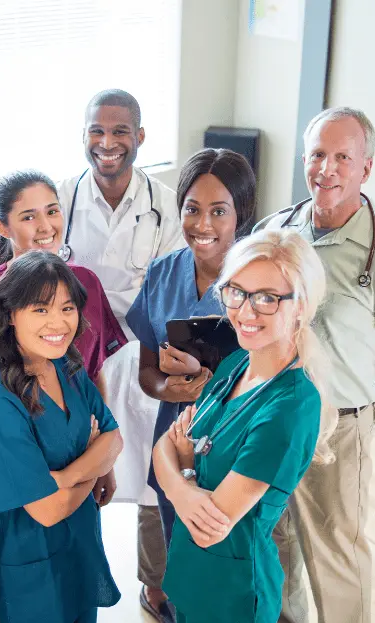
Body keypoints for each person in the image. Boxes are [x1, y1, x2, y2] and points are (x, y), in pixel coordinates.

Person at [0, 169, 127, 623]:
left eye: (68, 308)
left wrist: (66, 477)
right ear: (8, 316)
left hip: (77, 552)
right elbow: (46, 512)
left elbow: (113, 435)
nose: (59, 321)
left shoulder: (69, 368)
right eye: (41, 310)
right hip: (30, 565)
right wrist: (89, 467)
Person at [254, 107, 375, 623]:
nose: (328, 168)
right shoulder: (278, 231)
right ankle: (288, 622)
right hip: (276, 408)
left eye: (343, 157)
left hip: (340, 419)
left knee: (336, 543)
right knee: (279, 525)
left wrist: (362, 420)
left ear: (366, 167)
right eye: (318, 153)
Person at [154, 228, 334, 623]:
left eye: (268, 298)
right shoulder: (238, 364)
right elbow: (164, 446)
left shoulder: (291, 405)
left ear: (301, 306)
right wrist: (184, 488)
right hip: (196, 573)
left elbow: (212, 521)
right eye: (236, 292)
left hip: (232, 587)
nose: (245, 311)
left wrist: (179, 476)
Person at [58, 89, 184, 623]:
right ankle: (72, 578)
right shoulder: (60, 199)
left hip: (141, 352)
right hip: (75, 360)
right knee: (82, 469)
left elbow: (176, 277)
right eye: (96, 131)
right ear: (83, 134)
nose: (107, 144)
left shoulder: (165, 200)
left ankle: (154, 585)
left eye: (119, 131)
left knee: (156, 474)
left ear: (140, 136)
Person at [127, 148, 257, 549]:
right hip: (175, 447)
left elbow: (276, 380)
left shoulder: (260, 280)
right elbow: (147, 371)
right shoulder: (163, 273)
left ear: (242, 214)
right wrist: (169, 390)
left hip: (239, 451)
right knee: (180, 557)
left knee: (232, 564)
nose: (203, 224)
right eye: (192, 209)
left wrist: (212, 387)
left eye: (219, 211)